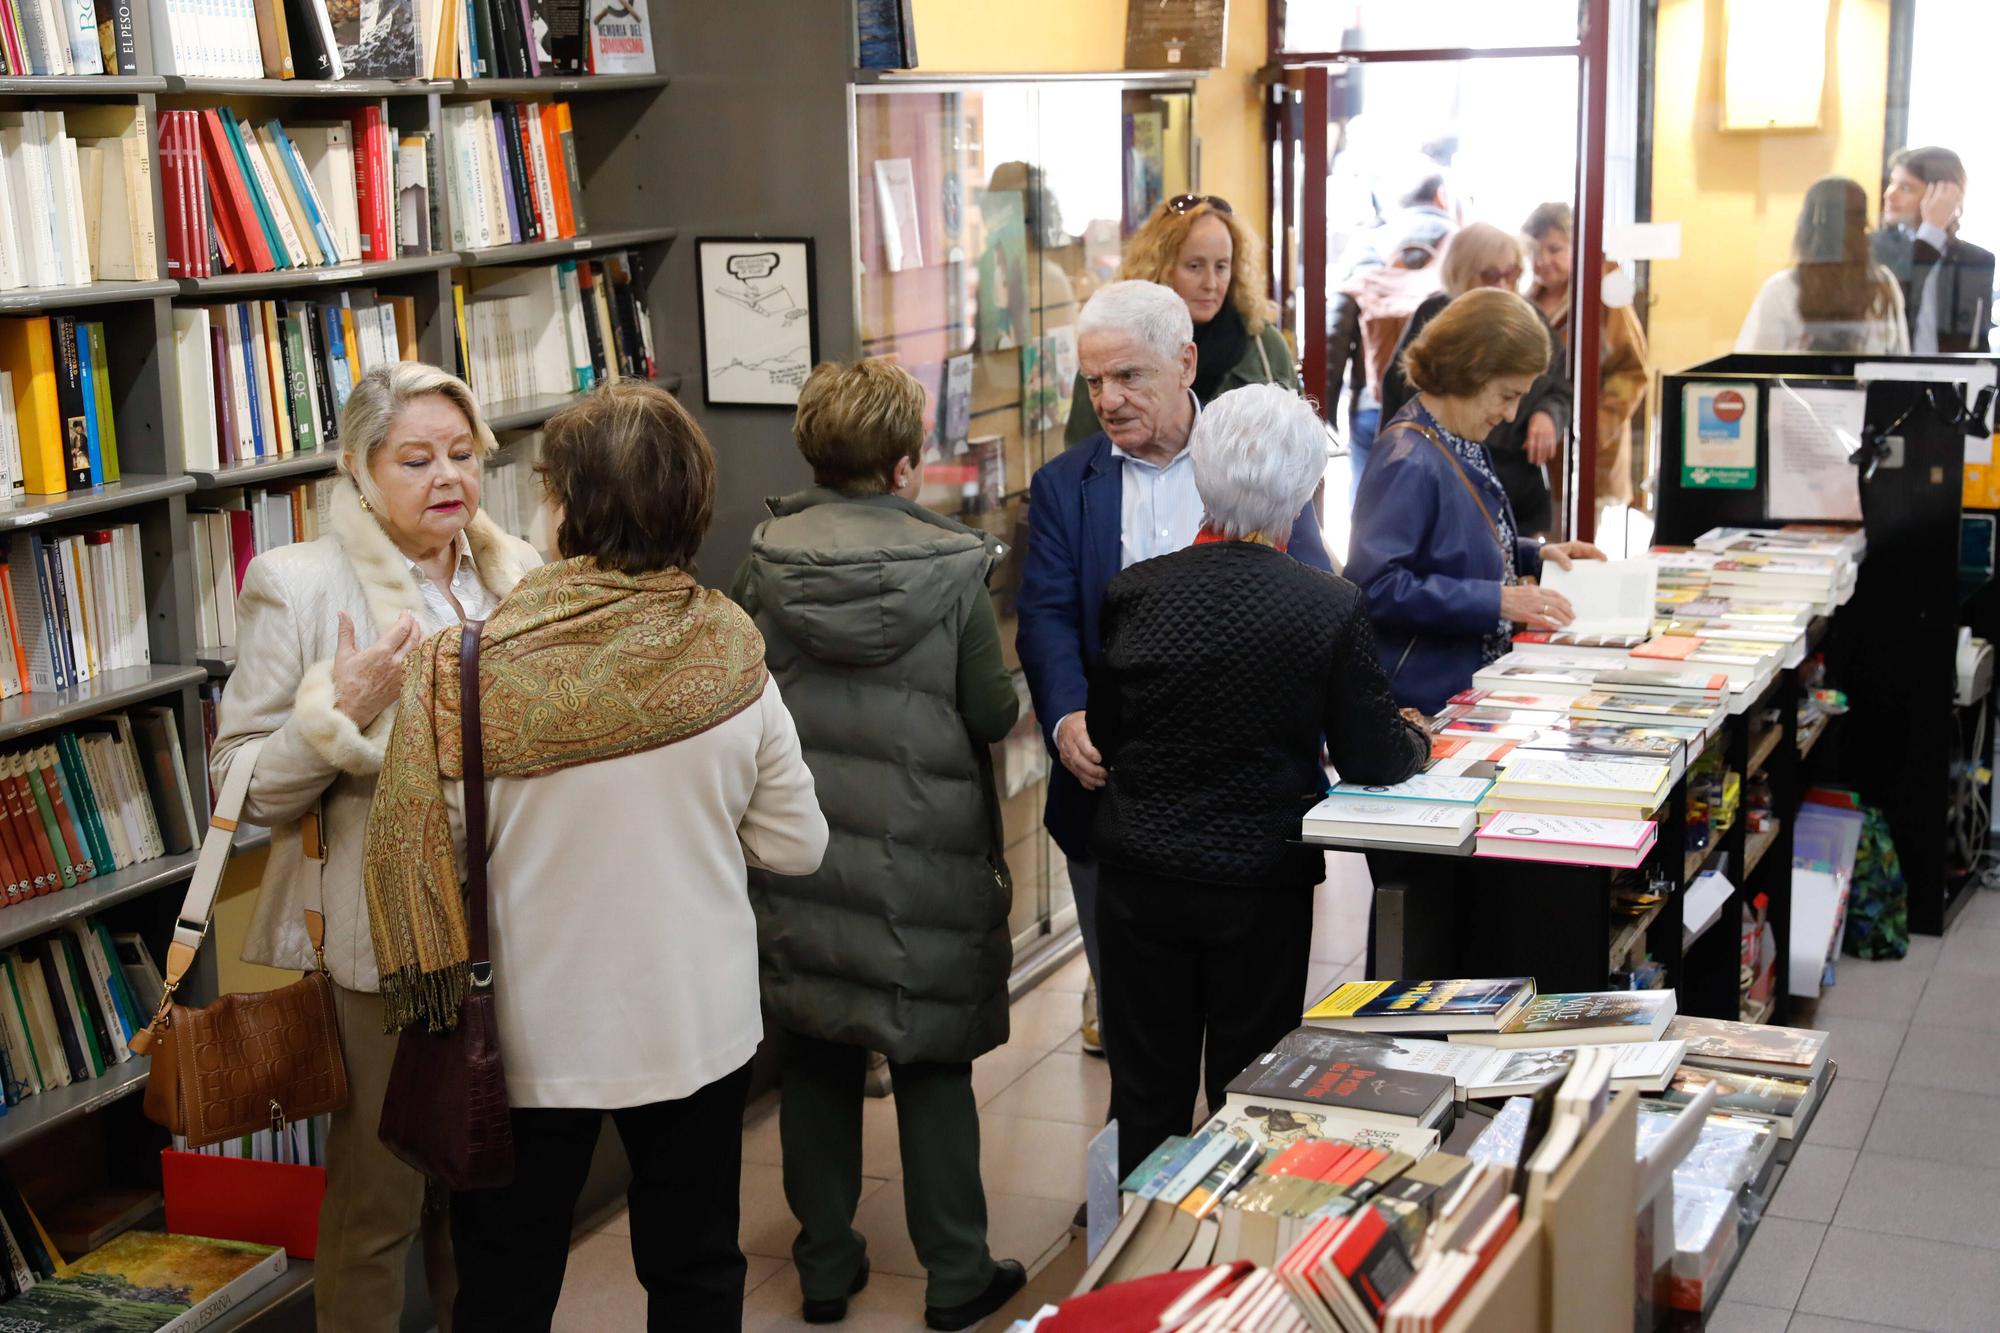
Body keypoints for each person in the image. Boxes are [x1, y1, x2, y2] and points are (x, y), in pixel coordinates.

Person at [362, 380, 829, 1333]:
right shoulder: (727, 644)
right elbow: (797, 841)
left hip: (532, 1038)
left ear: (567, 507)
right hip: (695, 1022)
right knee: (697, 1271)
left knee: (505, 1285)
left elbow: (434, 860)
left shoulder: (465, 668)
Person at [208, 362, 540, 1333]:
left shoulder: (516, 568)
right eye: (414, 458)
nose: (447, 476)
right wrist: (337, 715)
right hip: (381, 945)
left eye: (461, 454)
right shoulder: (298, 586)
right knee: (379, 1201)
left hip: (513, 924)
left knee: (486, 1191)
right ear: (357, 468)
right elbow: (239, 787)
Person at [730, 359, 1029, 1332]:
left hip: (804, 849)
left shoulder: (763, 558)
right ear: (906, 467)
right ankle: (954, 1273)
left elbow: (740, 696)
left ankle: (822, 1265)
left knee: (816, 1048)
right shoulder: (951, 568)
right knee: (931, 1059)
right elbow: (989, 708)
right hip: (926, 856)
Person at [1085, 383, 1430, 1181]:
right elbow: (1373, 756)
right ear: (1307, 491)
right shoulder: (1325, 604)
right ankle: (1232, 1274)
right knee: (1250, 1089)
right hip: (1256, 883)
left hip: (1139, 880)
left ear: (1203, 473)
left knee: (1147, 1094)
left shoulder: (1134, 592)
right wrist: (1416, 737)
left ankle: (1146, 1276)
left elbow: (1109, 732)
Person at [1018, 280, 1334, 1063]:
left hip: (1244, 805)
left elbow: (1317, 592)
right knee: (1141, 1052)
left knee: (1250, 1053)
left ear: (1185, 361)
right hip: (1111, 801)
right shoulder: (1067, 485)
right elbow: (1048, 616)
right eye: (1093, 382)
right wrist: (1064, 718)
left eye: (1129, 376)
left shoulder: (1250, 462)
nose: (1109, 400)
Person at [1348, 289, 1606, 715]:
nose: (1511, 414)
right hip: (1424, 705)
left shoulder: (1457, 436)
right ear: (1470, 369)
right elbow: (1375, 587)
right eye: (1507, 395)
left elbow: (1454, 542)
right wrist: (1497, 600)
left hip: (1461, 690)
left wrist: (1534, 554)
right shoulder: (1407, 459)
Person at [1380, 223, 1572, 537]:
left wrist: (1548, 414)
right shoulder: (1436, 316)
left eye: (1512, 273)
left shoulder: (1529, 317)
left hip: (1514, 481)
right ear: (1460, 273)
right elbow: (1399, 393)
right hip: (1446, 482)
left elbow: (1561, 387)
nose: (1504, 285)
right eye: (1490, 275)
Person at [1064, 195, 1297, 445]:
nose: (1210, 283)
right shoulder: (1115, 344)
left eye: (1221, 267)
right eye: (1194, 266)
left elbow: (1301, 448)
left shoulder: (1263, 344)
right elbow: (1082, 460)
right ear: (1161, 268)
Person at [1327, 170, 1457, 496]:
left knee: (1368, 503)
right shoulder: (1458, 246)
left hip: (1371, 401)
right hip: (1439, 406)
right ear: (1440, 197)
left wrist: (1325, 410)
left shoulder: (1369, 244)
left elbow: (1337, 329)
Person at [1522, 201, 1651, 513]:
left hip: (1586, 460)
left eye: (1554, 249)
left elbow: (1630, 373)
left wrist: (1589, 432)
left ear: (1577, 246)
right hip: (1534, 457)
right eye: (1535, 252)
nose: (1543, 261)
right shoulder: (1528, 299)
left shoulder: (1603, 297)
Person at [1737, 177, 1909, 355]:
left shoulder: (1882, 284)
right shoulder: (1783, 289)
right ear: (1864, 227)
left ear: (1806, 227)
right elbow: (1757, 369)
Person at [1872, 145, 1995, 354]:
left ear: (1942, 193)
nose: (1889, 194)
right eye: (1893, 183)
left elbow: (1975, 342)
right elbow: (1899, 306)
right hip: (1888, 378)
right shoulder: (1874, 249)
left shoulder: (1977, 259)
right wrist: (1930, 234)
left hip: (1951, 381)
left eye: (1906, 188)